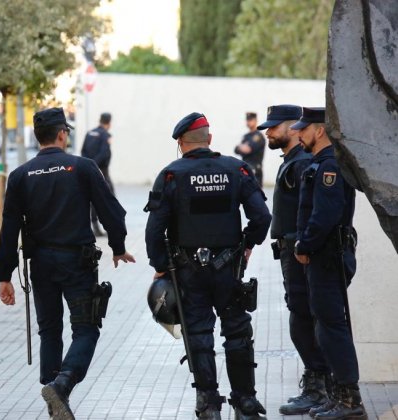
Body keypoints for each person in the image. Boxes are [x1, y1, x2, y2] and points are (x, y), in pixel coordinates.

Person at [0, 107, 135, 420]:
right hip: (77, 262)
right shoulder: (82, 167)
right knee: (86, 329)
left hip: (41, 263)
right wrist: (118, 246)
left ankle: (52, 398)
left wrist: (5, 274)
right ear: (61, 134)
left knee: (49, 331)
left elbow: (9, 228)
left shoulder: (20, 176)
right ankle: (62, 385)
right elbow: (112, 210)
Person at [145, 112, 272, 420]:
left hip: (187, 271)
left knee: (199, 333)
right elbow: (262, 217)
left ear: (180, 143)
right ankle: (245, 402)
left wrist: (161, 266)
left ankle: (209, 404)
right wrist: (247, 246)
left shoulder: (172, 175)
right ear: (210, 140)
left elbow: (154, 230)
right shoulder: (237, 169)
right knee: (237, 331)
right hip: (228, 269)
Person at [257, 105, 332, 415]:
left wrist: (303, 245)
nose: (268, 132)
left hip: (300, 252)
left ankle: (319, 386)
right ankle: (317, 383)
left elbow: (313, 209)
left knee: (303, 318)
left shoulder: (302, 163)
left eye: (274, 127)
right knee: (301, 316)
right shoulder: (293, 160)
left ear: (292, 128)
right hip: (292, 249)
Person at [292, 107, 367, 420]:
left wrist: (304, 244)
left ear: (319, 130)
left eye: (304, 129)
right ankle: (339, 395)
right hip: (324, 256)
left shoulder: (329, 167)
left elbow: (325, 215)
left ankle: (351, 401)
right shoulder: (320, 164)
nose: (299, 134)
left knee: (332, 328)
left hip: (326, 257)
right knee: (326, 328)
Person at [81, 112, 113, 236]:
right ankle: (110, 227)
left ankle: (94, 226)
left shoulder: (89, 133)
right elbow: (104, 153)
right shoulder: (105, 135)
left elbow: (83, 151)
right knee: (109, 198)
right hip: (102, 171)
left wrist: (88, 165)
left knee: (91, 199)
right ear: (109, 122)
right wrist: (95, 165)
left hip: (88, 170)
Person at [234, 112, 266, 187]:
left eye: (250, 120)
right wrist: (241, 147)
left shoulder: (258, 136)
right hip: (245, 168)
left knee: (256, 194)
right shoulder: (245, 136)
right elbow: (236, 149)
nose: (248, 122)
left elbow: (248, 149)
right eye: (247, 120)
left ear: (255, 121)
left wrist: (241, 147)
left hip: (255, 170)